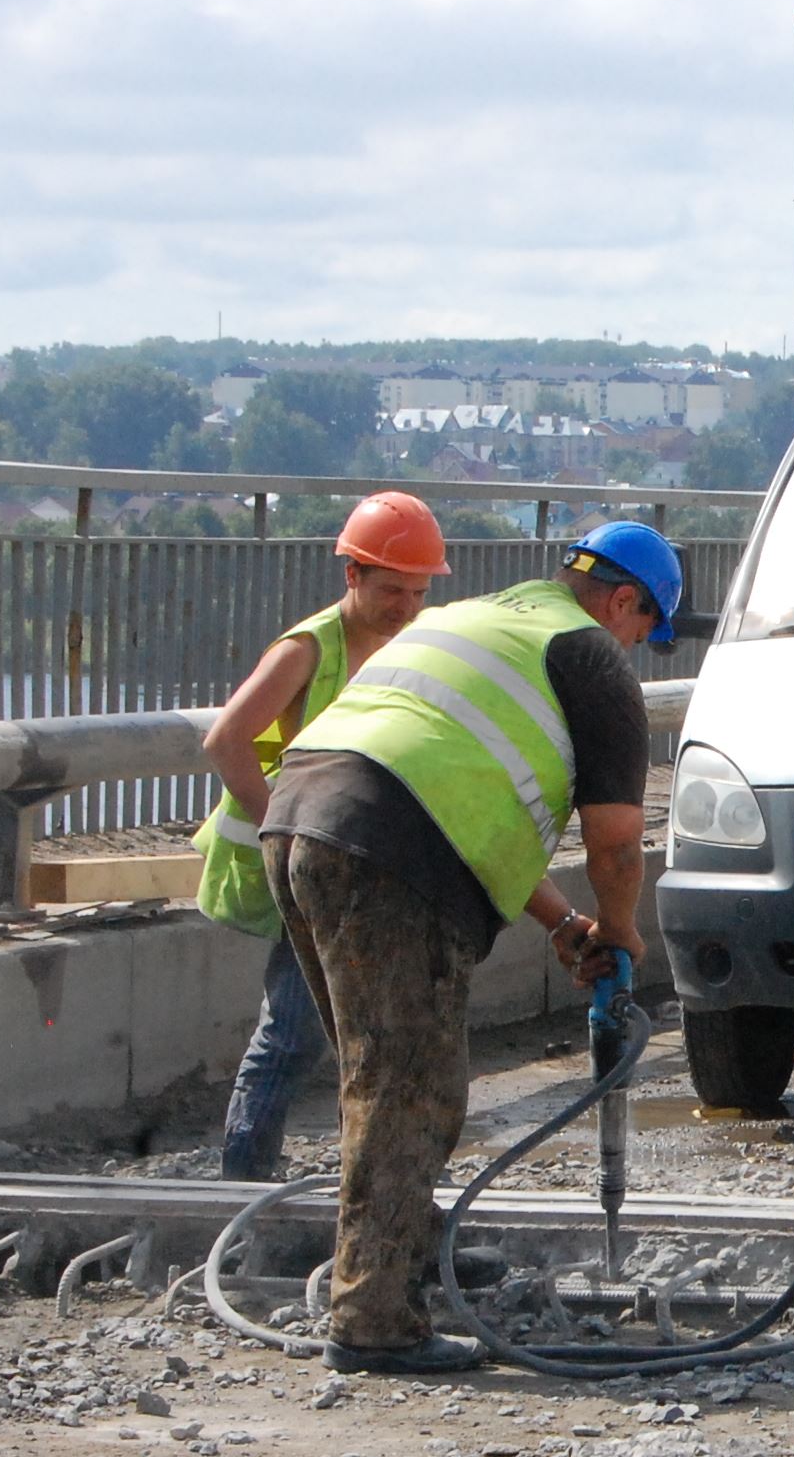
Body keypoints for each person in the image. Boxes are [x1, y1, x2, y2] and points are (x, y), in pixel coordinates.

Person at [261, 521, 693, 1374]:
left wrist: (566, 925)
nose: (642, 647)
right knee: (411, 1091)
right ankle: (375, 1320)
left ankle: (405, 1259)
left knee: (379, 1075)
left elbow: (455, 792)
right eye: (649, 628)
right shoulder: (591, 659)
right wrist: (623, 933)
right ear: (622, 602)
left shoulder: (478, 619)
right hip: (389, 847)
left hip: (302, 816)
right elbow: (615, 843)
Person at [193, 491, 448, 1182]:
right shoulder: (309, 648)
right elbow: (227, 741)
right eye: (392, 589)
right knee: (293, 1029)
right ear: (353, 576)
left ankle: (362, 1180)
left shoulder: (411, 648)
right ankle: (242, 1185)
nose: (406, 606)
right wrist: (287, 827)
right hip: (302, 857)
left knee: (362, 1031)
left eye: (419, 591)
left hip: (358, 858)